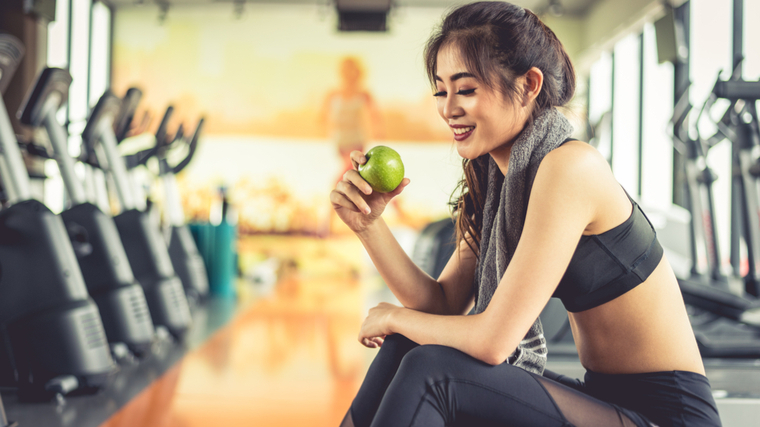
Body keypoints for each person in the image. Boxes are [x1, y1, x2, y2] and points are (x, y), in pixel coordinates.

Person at [329, 2, 722, 427]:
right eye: (441, 91)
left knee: (432, 373)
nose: (448, 109)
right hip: (604, 399)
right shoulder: (500, 183)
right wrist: (369, 226)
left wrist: (393, 316)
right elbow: (441, 305)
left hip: (666, 416)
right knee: (407, 346)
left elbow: (494, 342)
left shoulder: (570, 168)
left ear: (529, 84)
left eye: (466, 89)